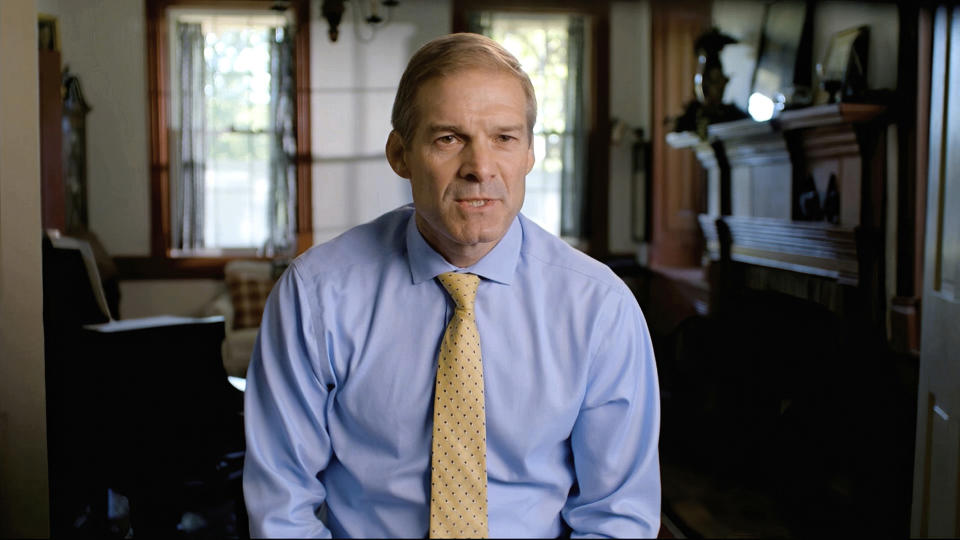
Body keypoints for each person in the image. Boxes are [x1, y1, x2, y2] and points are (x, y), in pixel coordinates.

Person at [243, 32, 661, 538]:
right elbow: (282, 507)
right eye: (449, 138)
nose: (480, 168)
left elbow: (617, 515)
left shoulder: (599, 307)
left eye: (504, 138)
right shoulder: (315, 296)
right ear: (400, 153)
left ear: (530, 152)